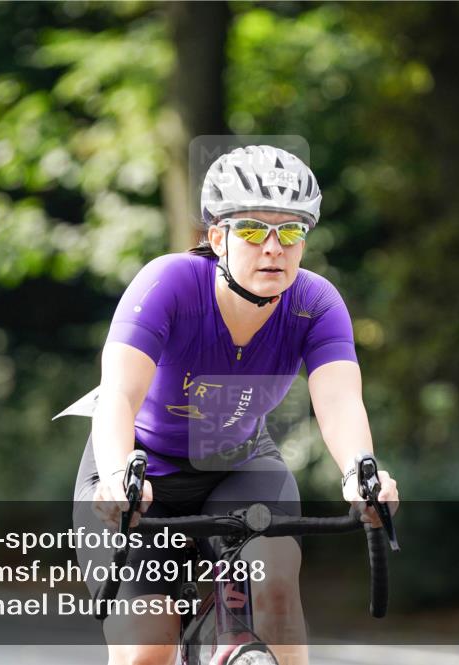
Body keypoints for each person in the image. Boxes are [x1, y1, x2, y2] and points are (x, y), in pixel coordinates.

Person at [72, 145, 399, 665]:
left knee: (275, 590)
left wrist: (361, 472)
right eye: (252, 230)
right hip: (141, 470)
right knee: (146, 652)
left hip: (238, 468)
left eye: (291, 231)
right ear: (217, 237)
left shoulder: (315, 303)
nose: (274, 247)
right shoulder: (169, 283)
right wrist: (115, 475)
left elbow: (338, 400)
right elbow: (118, 394)